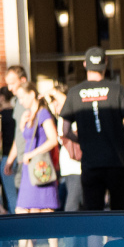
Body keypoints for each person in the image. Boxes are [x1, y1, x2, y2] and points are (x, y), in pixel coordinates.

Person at [60, 47, 124, 211]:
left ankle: (95, 238)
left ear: (85, 64)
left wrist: (82, 139)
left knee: (93, 215)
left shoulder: (75, 92)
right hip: (117, 162)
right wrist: (116, 132)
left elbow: (65, 131)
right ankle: (118, 237)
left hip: (91, 162)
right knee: (119, 212)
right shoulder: (116, 89)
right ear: (105, 64)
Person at [13, 87, 59, 213]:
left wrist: (32, 154)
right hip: (30, 168)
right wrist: (23, 126)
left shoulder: (42, 113)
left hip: (40, 166)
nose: (21, 102)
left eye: (22, 97)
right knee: (25, 210)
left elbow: (53, 139)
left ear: (32, 94)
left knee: (39, 211)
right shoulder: (30, 114)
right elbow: (30, 140)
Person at [0, 67, 31, 213]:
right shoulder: (18, 104)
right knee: (21, 205)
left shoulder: (30, 103)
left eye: (12, 83)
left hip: (29, 161)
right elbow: (17, 135)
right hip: (20, 160)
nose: (9, 88)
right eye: (8, 84)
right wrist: (10, 160)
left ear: (23, 80)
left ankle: (27, 235)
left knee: (24, 206)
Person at [50, 84, 83, 212]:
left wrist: (53, 91)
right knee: (61, 207)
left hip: (76, 168)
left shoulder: (71, 115)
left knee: (71, 208)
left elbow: (65, 102)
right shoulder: (61, 118)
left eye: (56, 102)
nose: (54, 106)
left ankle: (74, 232)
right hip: (67, 170)